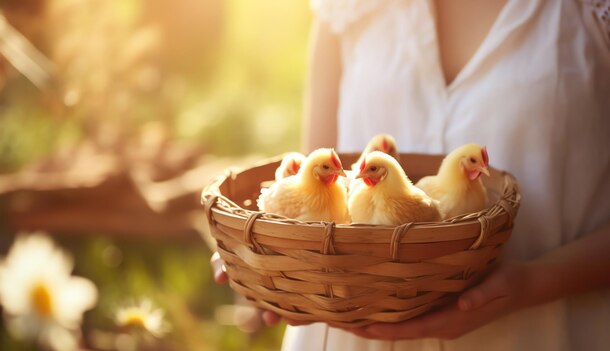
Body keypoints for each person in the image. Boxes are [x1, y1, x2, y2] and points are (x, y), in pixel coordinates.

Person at [213, 0, 610, 350]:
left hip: (538, 330)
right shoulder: (346, 6)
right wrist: (272, 254)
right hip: (345, 326)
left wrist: (535, 283)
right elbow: (307, 179)